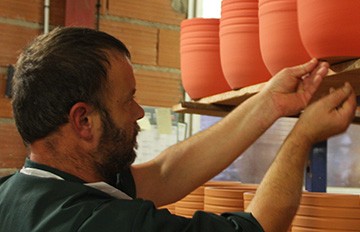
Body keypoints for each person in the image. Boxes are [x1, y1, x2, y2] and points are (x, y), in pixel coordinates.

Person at [0, 26, 356, 232]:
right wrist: (303, 135)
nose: (139, 113)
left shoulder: (17, 193)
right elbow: (260, 228)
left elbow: (166, 173)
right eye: (128, 100)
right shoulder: (101, 223)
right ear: (83, 121)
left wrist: (270, 104)